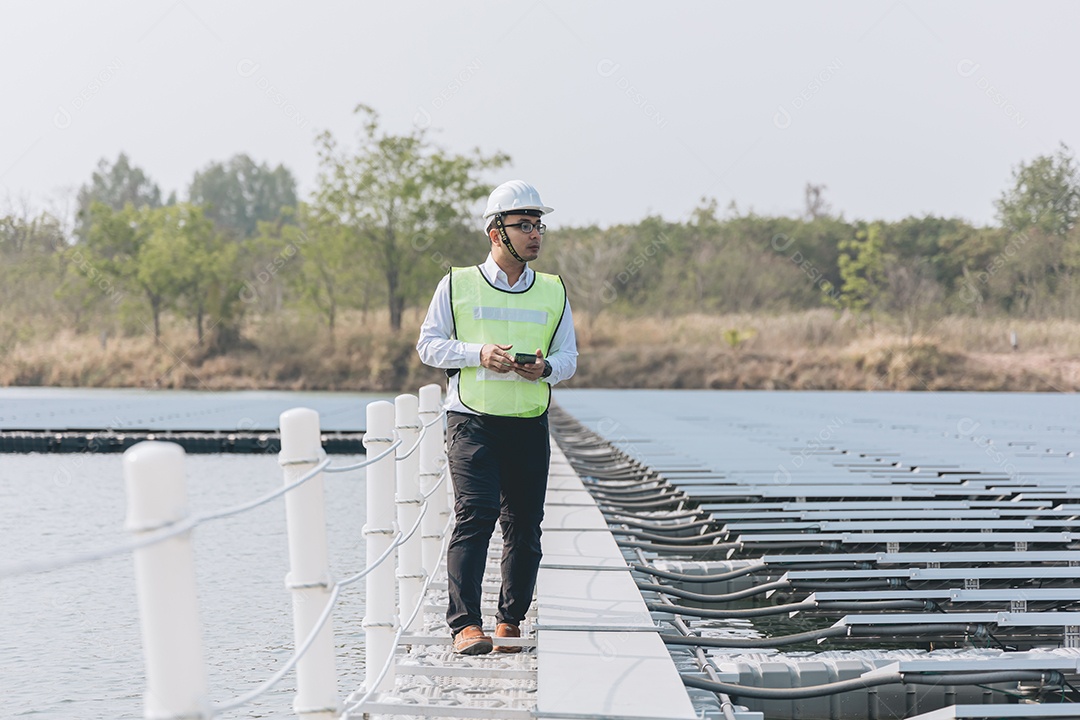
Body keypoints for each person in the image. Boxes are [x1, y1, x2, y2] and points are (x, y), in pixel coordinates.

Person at [416, 180, 578, 655]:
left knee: (525, 526)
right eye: (523, 225)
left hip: (528, 421)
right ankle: (465, 624)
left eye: (538, 225)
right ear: (495, 233)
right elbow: (428, 344)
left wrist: (545, 368)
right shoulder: (456, 283)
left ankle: (511, 619)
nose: (535, 234)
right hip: (471, 421)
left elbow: (569, 357)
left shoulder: (553, 290)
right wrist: (476, 353)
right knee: (476, 514)